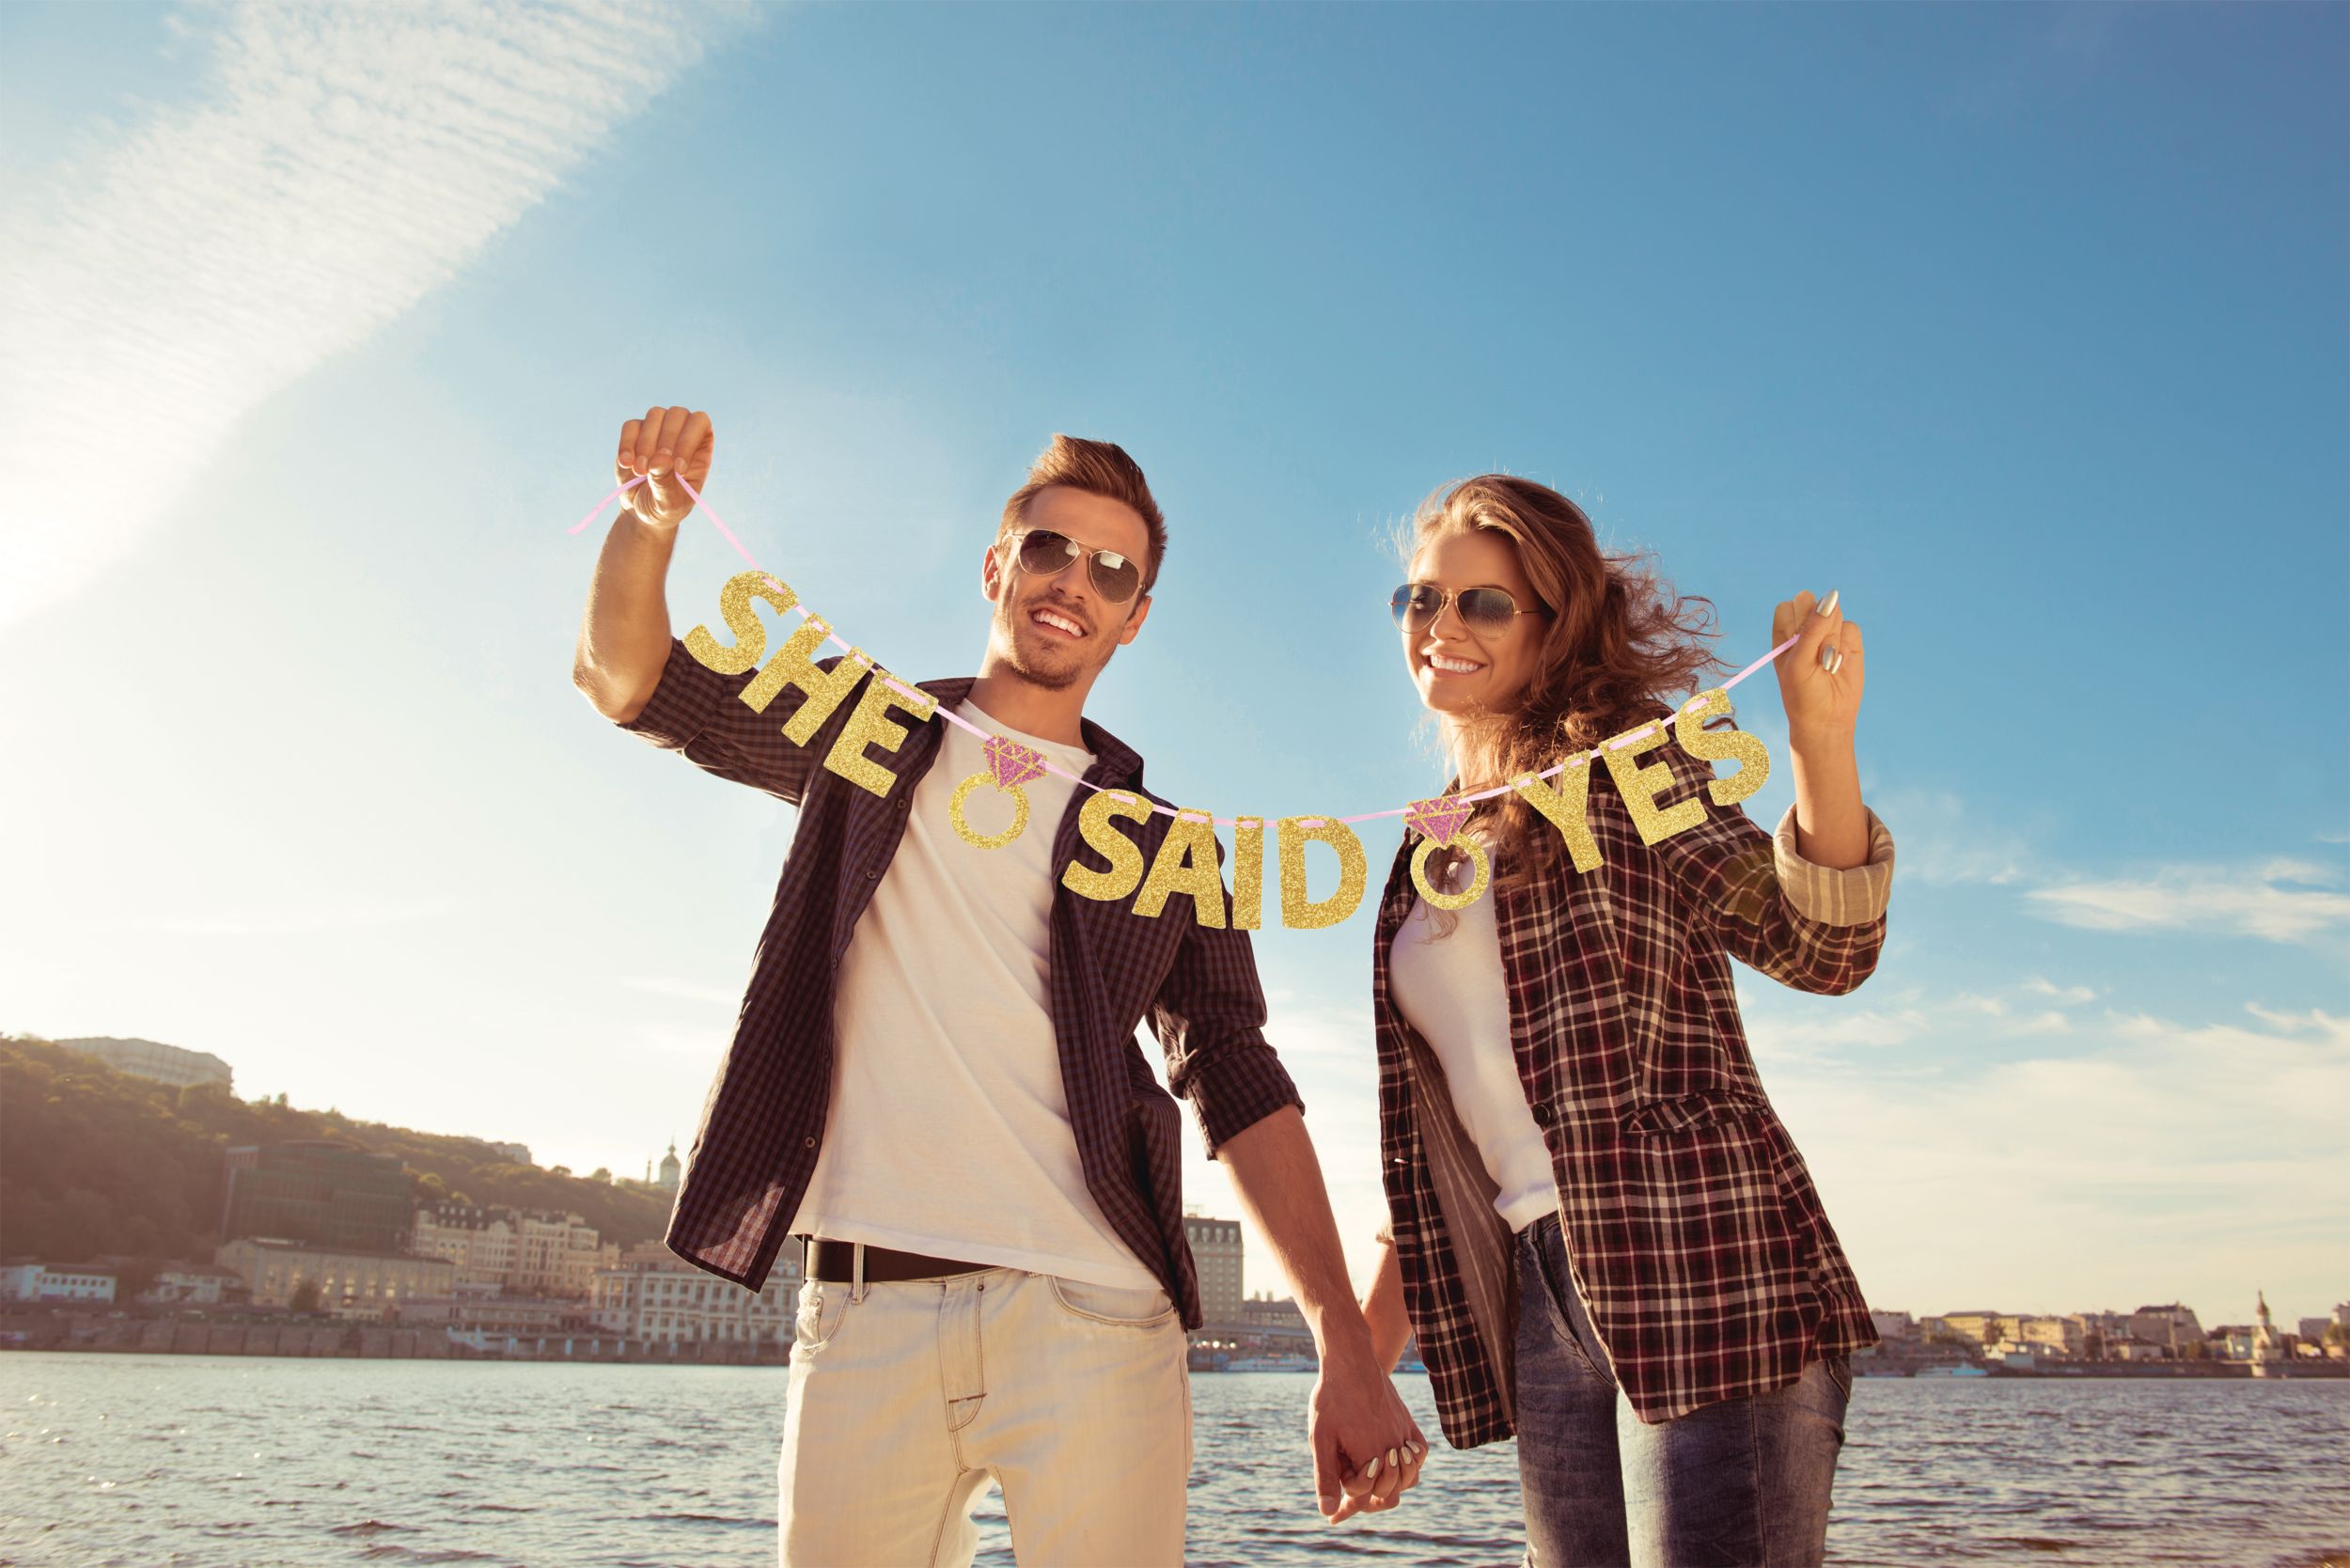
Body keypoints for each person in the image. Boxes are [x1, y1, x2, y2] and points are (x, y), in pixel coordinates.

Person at [570, 407, 1424, 1566]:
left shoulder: (1165, 842)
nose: (1075, 580)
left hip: (1095, 1319)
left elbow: (1237, 1075)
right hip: (863, 1313)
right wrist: (648, 526)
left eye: (1112, 571)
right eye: (1049, 549)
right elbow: (630, 682)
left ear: (1136, 618)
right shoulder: (867, 732)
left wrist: (1345, 1344)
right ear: (997, 565)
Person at [1338, 474, 1896, 1566]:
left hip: (1702, 1261)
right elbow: (1445, 1149)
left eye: (1479, 603)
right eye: (1417, 601)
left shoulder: (1625, 770)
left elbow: (1823, 949)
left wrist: (1819, 744)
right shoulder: (1425, 854)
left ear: (1554, 624)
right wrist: (1359, 1362)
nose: (1437, 627)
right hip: (1539, 1297)